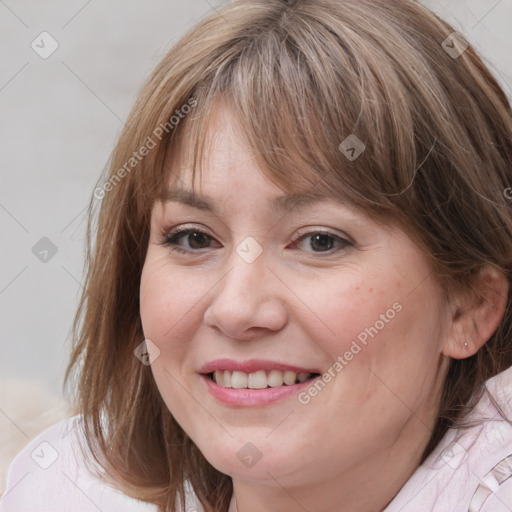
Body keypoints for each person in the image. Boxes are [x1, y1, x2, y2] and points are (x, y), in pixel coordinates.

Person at [2, 0, 512, 511]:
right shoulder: (62, 489)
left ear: (469, 306)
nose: (236, 309)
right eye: (194, 238)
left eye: (320, 241)